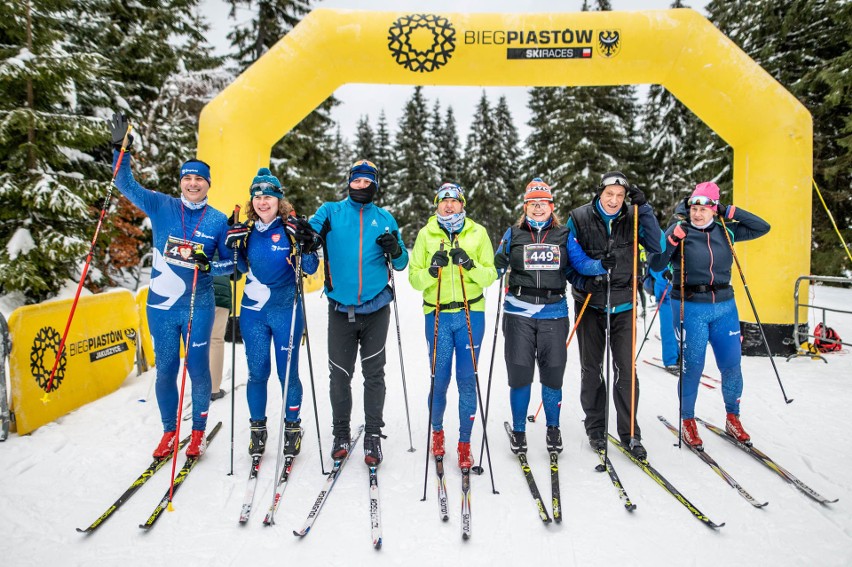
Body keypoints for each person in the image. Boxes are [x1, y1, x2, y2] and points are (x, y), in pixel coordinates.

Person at [109, 113, 233, 458]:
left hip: (199, 304)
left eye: (200, 179)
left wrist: (210, 263)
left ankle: (197, 433)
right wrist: (122, 150)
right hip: (161, 306)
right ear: (181, 182)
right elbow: (125, 184)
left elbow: (232, 265)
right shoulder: (162, 205)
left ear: (209, 183)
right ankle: (168, 432)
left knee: (197, 368)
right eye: (188, 178)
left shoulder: (217, 220)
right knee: (165, 369)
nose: (194, 183)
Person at [287, 159, 408, 466]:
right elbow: (312, 237)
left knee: (374, 374)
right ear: (349, 182)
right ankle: (340, 432)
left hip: (376, 308)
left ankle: (372, 435)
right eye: (357, 181)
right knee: (339, 375)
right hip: (340, 308)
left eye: (368, 182)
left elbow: (403, 260)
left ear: (375, 185)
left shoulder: (385, 218)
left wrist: (394, 248)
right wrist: (305, 237)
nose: (361, 186)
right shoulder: (331, 212)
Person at [649, 181, 770, 449]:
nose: (698, 212)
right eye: (694, 206)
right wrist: (671, 241)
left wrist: (730, 211)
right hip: (690, 307)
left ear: (714, 209)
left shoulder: (727, 231)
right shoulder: (679, 230)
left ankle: (732, 417)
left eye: (705, 207)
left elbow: (763, 227)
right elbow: (656, 264)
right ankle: (688, 420)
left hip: (725, 307)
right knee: (693, 367)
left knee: (731, 365)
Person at [494, 179, 608, 455]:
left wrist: (602, 265)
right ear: (525, 207)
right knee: (520, 373)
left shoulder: (563, 235)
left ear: (551, 206)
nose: (537, 208)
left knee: (553, 373)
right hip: (518, 311)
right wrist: (494, 266)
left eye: (542, 203)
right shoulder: (513, 234)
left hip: (554, 312)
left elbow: (580, 265)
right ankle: (519, 431)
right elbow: (496, 265)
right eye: (532, 203)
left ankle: (553, 429)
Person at [567, 171, 663, 460]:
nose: (614, 200)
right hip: (590, 303)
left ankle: (630, 432)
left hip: (623, 304)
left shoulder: (634, 217)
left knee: (624, 369)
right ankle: (595, 426)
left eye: (620, 196)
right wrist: (586, 280)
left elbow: (657, 247)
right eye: (609, 194)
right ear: (599, 193)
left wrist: (644, 210)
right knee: (591, 368)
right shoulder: (579, 218)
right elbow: (569, 259)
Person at [226, 168, 320, 458]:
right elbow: (239, 269)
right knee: (256, 372)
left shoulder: (291, 229)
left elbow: (312, 268)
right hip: (253, 313)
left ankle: (292, 427)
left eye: (268, 196)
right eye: (257, 196)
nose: (262, 201)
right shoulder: (248, 231)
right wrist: (232, 246)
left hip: (286, 310)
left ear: (280, 200)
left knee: (287, 373)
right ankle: (258, 428)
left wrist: (307, 243)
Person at [408, 183, 497, 469]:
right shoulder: (426, 234)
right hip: (437, 314)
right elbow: (414, 279)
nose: (448, 206)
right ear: (436, 206)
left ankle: (465, 442)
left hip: (472, 313)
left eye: (454, 201)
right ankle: (437, 433)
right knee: (440, 378)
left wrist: (470, 265)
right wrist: (432, 271)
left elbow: (490, 276)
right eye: (443, 202)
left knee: (467, 379)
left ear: (462, 205)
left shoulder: (477, 232)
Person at [645, 266, 678, 373]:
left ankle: (680, 356)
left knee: (682, 327)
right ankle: (671, 360)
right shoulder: (661, 249)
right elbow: (654, 267)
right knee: (669, 327)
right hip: (666, 293)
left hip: (682, 293)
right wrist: (664, 274)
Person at [209, 273, 232, 401]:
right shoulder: (227, 251)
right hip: (220, 297)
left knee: (199, 341)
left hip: (198, 294)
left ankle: (199, 387)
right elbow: (237, 271)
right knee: (216, 341)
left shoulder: (196, 251)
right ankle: (213, 389)